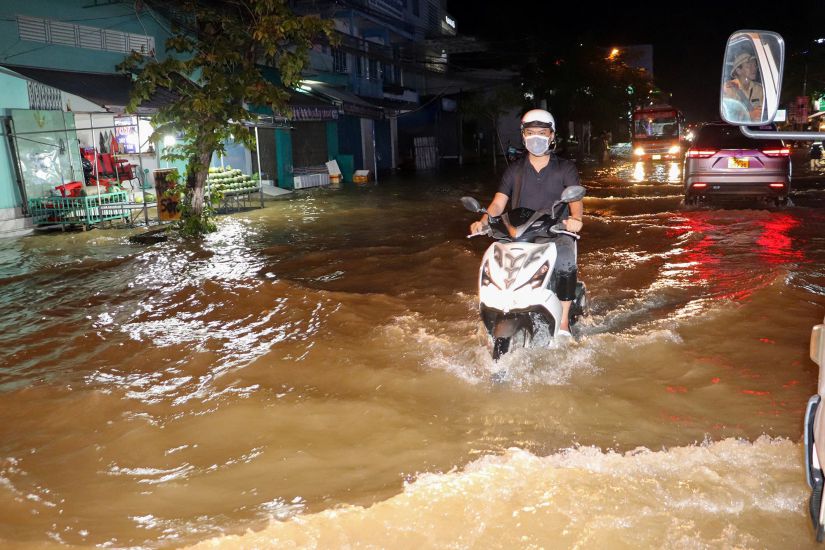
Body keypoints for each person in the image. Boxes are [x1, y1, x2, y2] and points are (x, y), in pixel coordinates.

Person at [469, 108, 584, 336]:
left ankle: (563, 323)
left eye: (542, 132)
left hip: (554, 231)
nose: (536, 138)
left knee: (565, 258)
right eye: (531, 133)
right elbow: (498, 203)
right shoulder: (514, 170)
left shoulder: (565, 168)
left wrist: (576, 219)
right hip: (519, 232)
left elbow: (576, 202)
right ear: (523, 135)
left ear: (551, 135)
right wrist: (483, 221)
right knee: (495, 259)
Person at [724, 52, 764, 122]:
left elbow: (765, 112)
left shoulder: (759, 89)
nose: (754, 69)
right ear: (738, 71)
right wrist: (749, 116)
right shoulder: (728, 89)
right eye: (748, 66)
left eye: (754, 65)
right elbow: (726, 115)